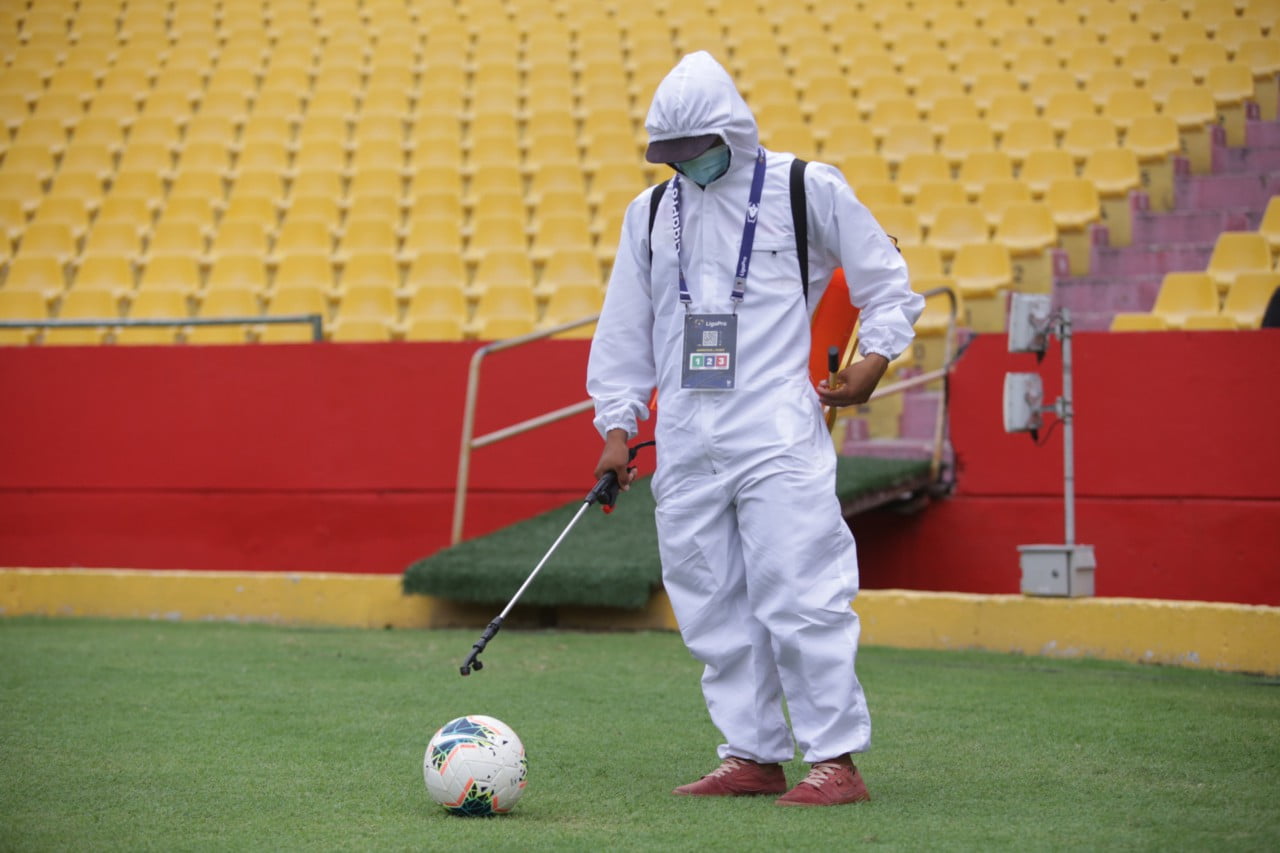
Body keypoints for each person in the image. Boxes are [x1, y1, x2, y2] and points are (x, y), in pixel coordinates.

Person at [587, 51, 924, 807]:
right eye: (668, 154)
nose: (684, 165)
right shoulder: (648, 215)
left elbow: (887, 282)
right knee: (710, 601)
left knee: (802, 591)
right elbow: (622, 334)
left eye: (694, 149)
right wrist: (617, 424)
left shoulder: (805, 188)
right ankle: (752, 754)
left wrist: (873, 360)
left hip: (776, 430)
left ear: (732, 130)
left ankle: (835, 758)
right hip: (686, 439)